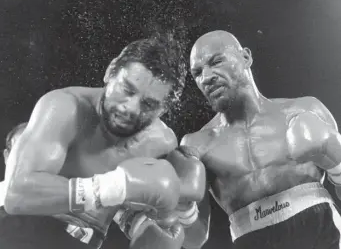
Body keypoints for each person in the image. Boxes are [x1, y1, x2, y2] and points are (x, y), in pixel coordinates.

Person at [2, 36, 206, 249]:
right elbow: (16, 194)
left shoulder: (161, 143)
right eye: (127, 90)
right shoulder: (65, 108)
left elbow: (195, 241)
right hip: (23, 231)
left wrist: (185, 208)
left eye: (148, 104)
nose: (131, 108)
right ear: (110, 72)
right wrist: (116, 187)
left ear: (163, 109)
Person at [181, 30, 341, 249]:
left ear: (245, 57)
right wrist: (182, 209)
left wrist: (338, 165)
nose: (206, 77)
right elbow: (194, 239)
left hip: (320, 234)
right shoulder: (196, 146)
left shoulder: (305, 110)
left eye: (216, 61)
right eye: (197, 73)